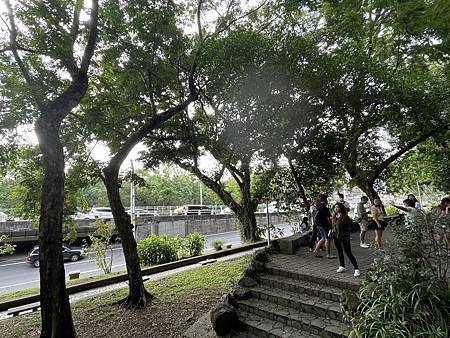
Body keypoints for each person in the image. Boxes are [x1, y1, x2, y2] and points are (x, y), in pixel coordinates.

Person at [332, 203, 360, 277]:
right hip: (336, 237)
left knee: (348, 253)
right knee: (339, 251)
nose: (336, 209)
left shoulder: (345, 217)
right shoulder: (335, 216)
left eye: (337, 207)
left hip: (344, 238)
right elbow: (333, 226)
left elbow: (351, 227)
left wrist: (346, 234)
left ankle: (356, 269)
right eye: (335, 207)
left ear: (341, 208)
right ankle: (342, 266)